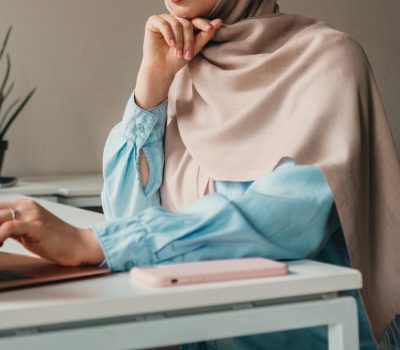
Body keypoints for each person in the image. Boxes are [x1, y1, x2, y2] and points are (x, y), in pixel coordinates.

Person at [0, 0, 399, 349]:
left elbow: (282, 219)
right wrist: (149, 91)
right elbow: (126, 216)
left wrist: (95, 243)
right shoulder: (182, 71)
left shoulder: (330, 61)